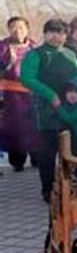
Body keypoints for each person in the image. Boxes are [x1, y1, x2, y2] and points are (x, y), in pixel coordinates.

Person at [20, 19, 77, 202]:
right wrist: (51, 94)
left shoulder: (69, 54)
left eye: (60, 33)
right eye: (52, 32)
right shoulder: (36, 55)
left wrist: (75, 91)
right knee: (48, 152)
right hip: (45, 110)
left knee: (74, 148)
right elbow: (27, 78)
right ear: (45, 34)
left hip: (69, 108)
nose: (56, 36)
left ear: (66, 35)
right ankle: (49, 190)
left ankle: (74, 186)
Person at [0, 16, 41, 171]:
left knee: (34, 126)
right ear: (9, 30)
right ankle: (17, 161)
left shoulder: (34, 47)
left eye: (21, 28)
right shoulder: (3, 47)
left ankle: (37, 157)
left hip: (33, 93)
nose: (18, 31)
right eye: (14, 28)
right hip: (12, 96)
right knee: (15, 128)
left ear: (27, 29)